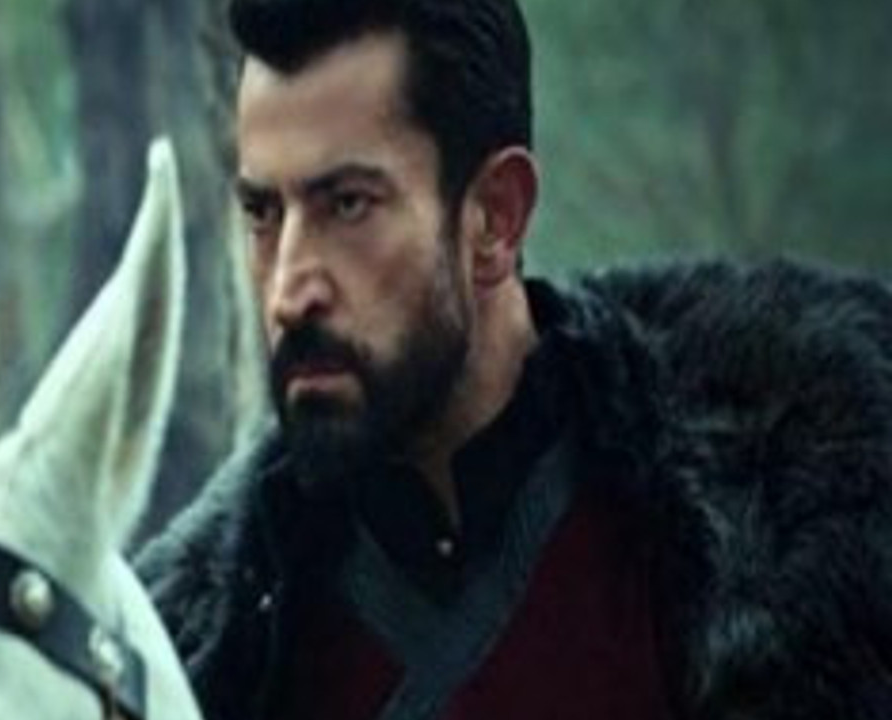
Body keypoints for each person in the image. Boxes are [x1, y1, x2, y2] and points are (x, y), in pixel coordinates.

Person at [136, 0, 892, 718]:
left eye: (349, 205)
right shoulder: (201, 655)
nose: (288, 292)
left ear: (495, 217)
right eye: (264, 214)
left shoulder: (770, 520)